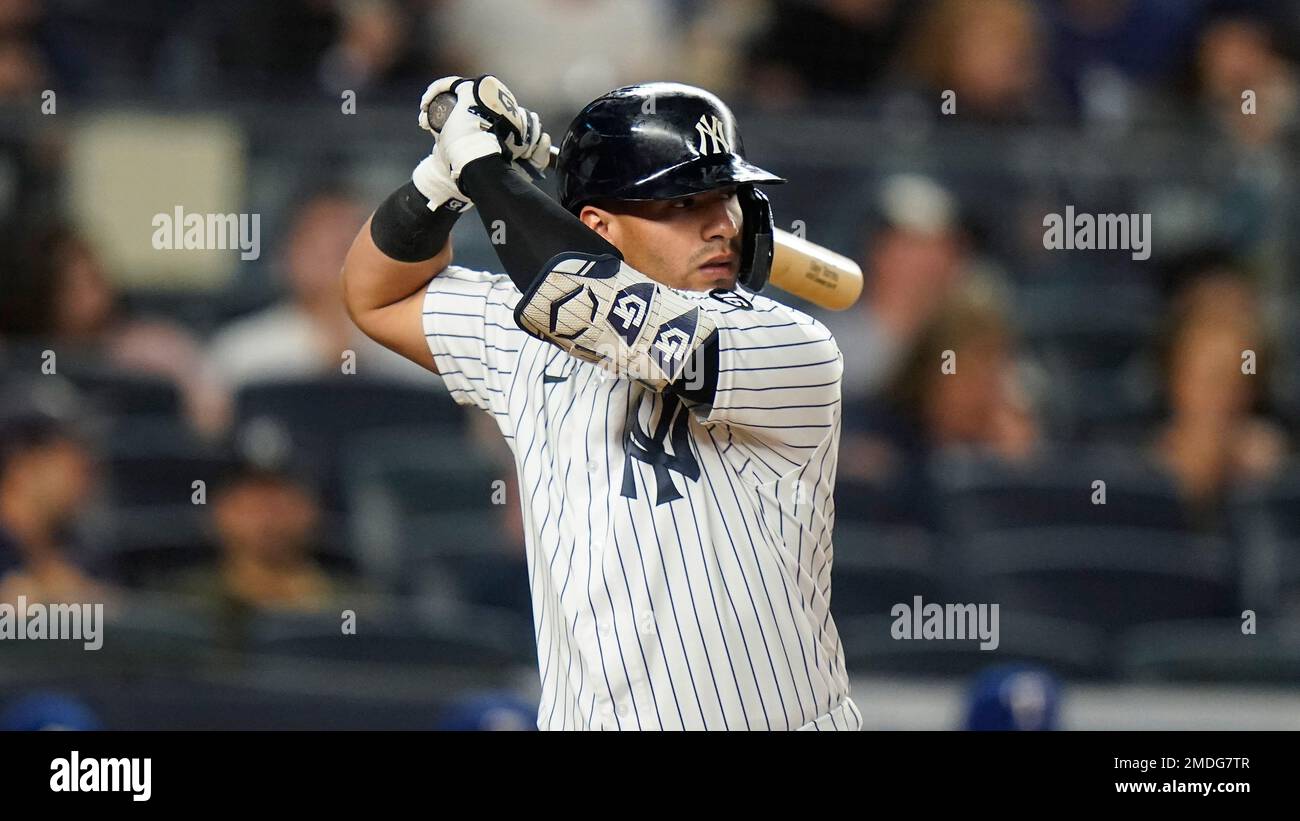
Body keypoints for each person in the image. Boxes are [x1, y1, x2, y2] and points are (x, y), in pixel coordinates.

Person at [342, 75, 858, 730]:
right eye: (681, 202)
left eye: (725, 195)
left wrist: (483, 166)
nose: (721, 224)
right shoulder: (521, 334)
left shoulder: (788, 348)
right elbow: (372, 293)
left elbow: (586, 299)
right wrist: (441, 180)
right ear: (598, 226)